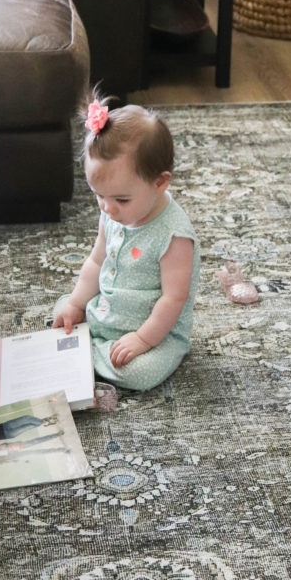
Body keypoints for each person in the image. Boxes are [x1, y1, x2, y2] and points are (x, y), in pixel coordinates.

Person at [53, 95, 200, 391]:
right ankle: (91, 347)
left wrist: (142, 339)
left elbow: (173, 299)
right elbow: (96, 262)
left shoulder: (174, 237)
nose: (108, 208)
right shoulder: (113, 213)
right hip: (108, 311)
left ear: (160, 183)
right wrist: (75, 303)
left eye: (121, 199)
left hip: (156, 331)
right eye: (99, 195)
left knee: (138, 374)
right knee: (63, 312)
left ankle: (89, 354)